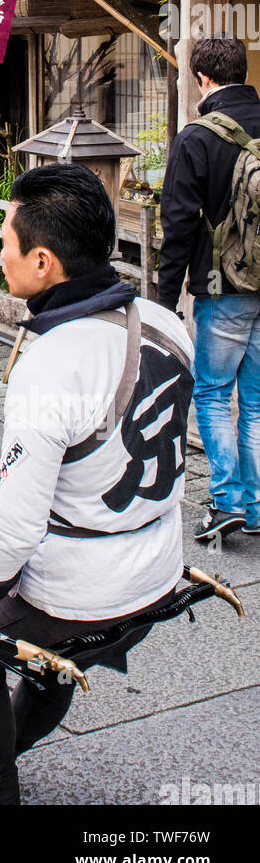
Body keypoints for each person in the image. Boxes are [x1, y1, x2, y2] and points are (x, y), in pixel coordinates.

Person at [0, 163, 193, 806]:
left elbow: (14, 529)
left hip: (87, 584)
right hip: (158, 564)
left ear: (43, 261)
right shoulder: (165, 321)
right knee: (37, 649)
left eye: (6, 243)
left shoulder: (50, 365)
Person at [158, 35, 260, 542]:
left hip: (223, 287)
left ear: (202, 78)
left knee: (216, 394)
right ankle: (256, 507)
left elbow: (178, 225)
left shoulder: (196, 138)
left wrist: (164, 302)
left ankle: (225, 503)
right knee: (258, 401)